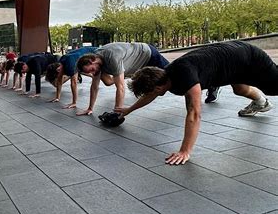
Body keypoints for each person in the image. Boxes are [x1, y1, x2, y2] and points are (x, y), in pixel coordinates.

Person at [121, 41, 277, 165]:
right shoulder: (165, 74)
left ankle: (264, 98)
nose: (150, 95)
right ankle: (261, 104)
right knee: (240, 90)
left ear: (159, 87)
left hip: (249, 58)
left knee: (273, 87)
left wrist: (184, 151)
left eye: (151, 91)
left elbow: (194, 114)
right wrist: (129, 110)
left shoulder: (186, 78)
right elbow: (150, 95)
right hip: (233, 62)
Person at [75, 42, 170, 116]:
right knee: (107, 82)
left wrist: (117, 112)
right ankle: (124, 74)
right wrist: (90, 108)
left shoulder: (112, 58)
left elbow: (120, 88)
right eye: (89, 73)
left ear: (93, 61)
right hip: (136, 65)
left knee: (171, 76)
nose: (92, 73)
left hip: (147, 54)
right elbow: (94, 87)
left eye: (91, 70)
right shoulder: (97, 61)